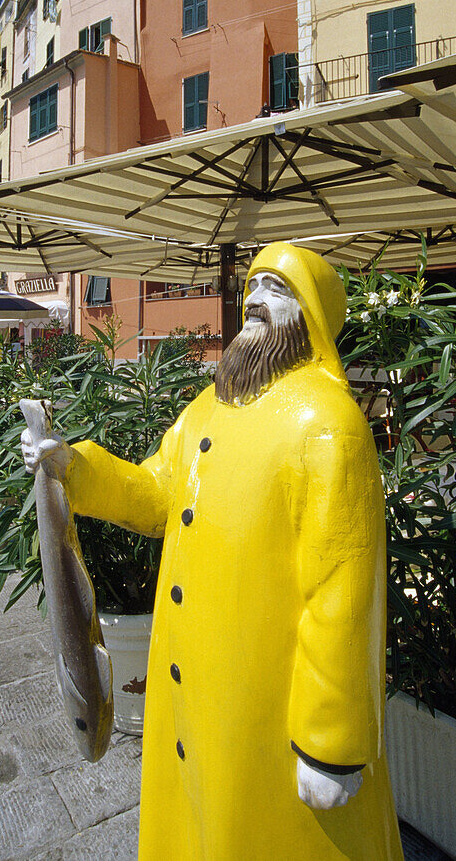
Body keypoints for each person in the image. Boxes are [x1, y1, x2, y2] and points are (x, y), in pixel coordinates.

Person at [21, 242, 404, 860]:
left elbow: (343, 592)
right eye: (253, 285)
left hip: (262, 705)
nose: (253, 299)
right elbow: (154, 492)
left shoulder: (328, 425)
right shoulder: (206, 409)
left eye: (276, 290)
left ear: (310, 312)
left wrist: (329, 742)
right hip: (194, 688)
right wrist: (73, 465)